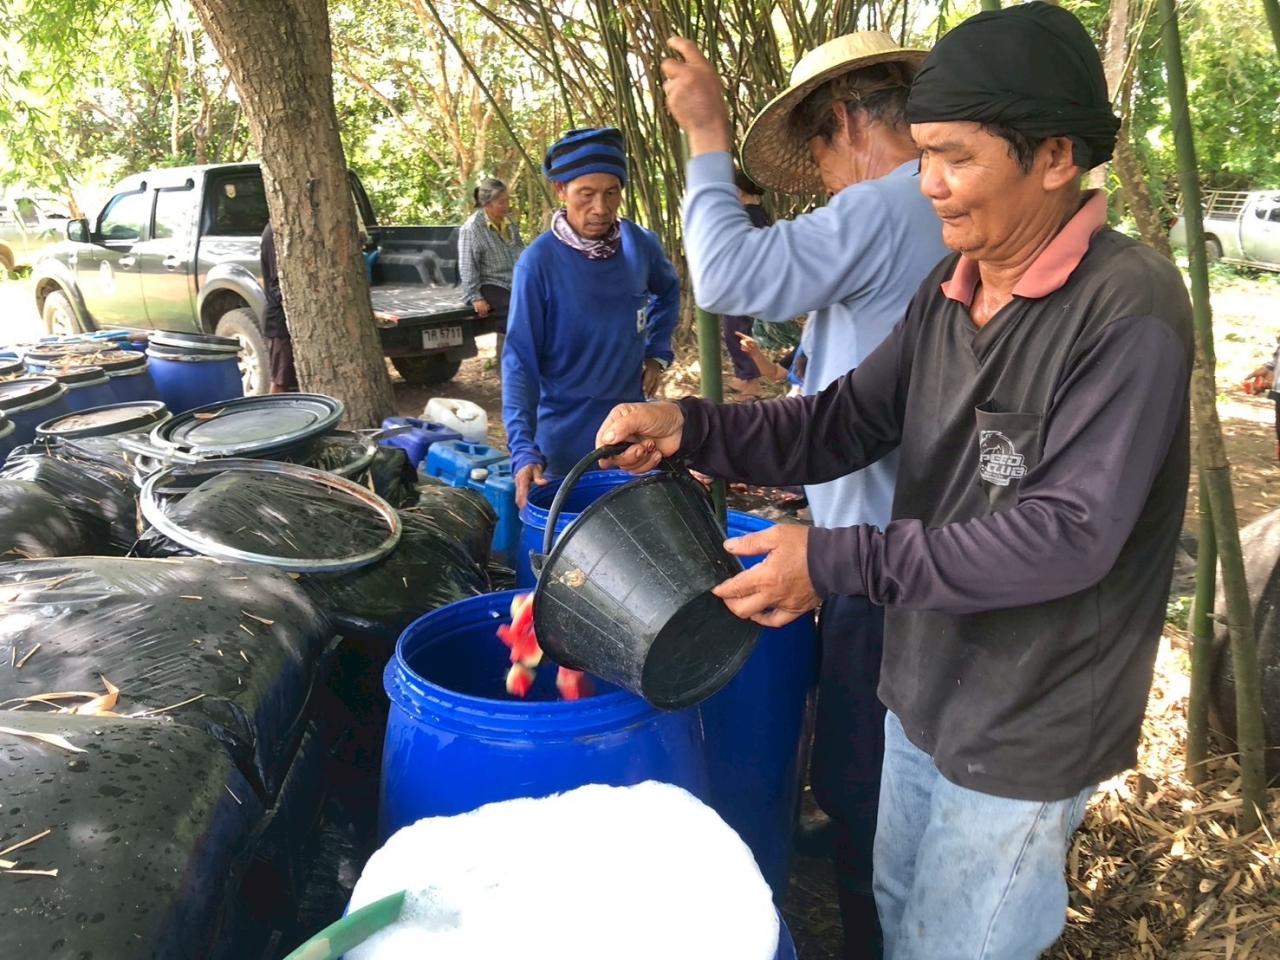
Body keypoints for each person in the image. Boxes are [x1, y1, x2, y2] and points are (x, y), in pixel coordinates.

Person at [605, 5, 1192, 959]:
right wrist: (692, 427)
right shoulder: (953, 287)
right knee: (899, 913)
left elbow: (1067, 534)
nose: (929, 186)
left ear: (1054, 157)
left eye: (955, 158)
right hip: (922, 684)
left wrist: (833, 562)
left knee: (958, 944)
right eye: (924, 157)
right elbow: (838, 422)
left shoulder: (1126, 308)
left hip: (1025, 718)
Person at [662, 31, 948, 958]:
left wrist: (706, 135)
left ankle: (875, 931)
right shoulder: (933, 210)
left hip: (880, 558)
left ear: (848, 122)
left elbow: (726, 275)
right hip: (906, 543)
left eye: (819, 152)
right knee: (884, 768)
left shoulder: (890, 201)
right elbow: (848, 393)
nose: (823, 178)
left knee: (866, 780)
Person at [502, 127, 680, 508]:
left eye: (611, 193)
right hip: (562, 444)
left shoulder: (639, 246)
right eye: (586, 194)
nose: (600, 207)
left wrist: (656, 352)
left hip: (628, 439)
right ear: (561, 190)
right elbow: (519, 361)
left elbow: (668, 291)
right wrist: (523, 448)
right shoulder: (538, 264)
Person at [722, 168, 773, 398]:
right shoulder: (756, 213)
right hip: (747, 282)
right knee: (736, 330)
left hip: (744, 284)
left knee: (737, 332)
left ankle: (750, 382)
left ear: (738, 191)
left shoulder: (749, 216)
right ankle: (744, 377)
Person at [458, 177, 525, 323]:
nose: (507, 205)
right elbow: (467, 266)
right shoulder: (472, 228)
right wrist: (476, 297)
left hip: (514, 280)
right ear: (487, 204)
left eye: (507, 200)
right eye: (501, 202)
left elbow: (520, 251)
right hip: (491, 283)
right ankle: (507, 338)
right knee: (514, 312)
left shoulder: (509, 222)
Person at [259, 222, 297, 393]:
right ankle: (272, 409)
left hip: (286, 318)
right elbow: (277, 283)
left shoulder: (284, 229)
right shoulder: (273, 233)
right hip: (279, 321)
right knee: (280, 381)